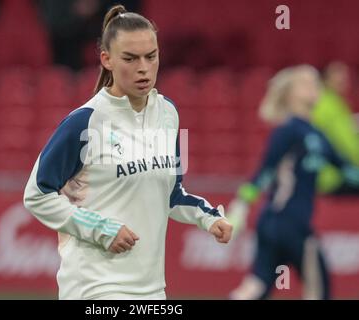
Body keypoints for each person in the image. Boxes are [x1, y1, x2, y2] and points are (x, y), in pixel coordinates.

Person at [23, 4, 232, 300]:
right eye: (130, 59)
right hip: (94, 287)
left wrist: (209, 218)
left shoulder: (169, 114)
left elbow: (171, 193)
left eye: (151, 56)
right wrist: (101, 229)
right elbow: (37, 194)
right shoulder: (84, 122)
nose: (144, 67)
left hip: (151, 290)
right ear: (106, 59)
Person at [226, 65, 359, 300]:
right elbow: (263, 174)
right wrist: (239, 208)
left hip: (275, 224)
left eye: (315, 81)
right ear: (289, 93)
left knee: (259, 285)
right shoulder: (287, 131)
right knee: (318, 287)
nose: (313, 85)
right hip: (289, 223)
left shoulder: (316, 135)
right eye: (305, 82)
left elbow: (347, 170)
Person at [311, 61, 359, 194]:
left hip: (325, 174)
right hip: (333, 176)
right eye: (339, 76)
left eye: (345, 76)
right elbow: (348, 146)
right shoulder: (330, 106)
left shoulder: (325, 102)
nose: (344, 80)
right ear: (325, 80)